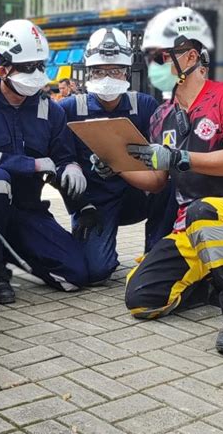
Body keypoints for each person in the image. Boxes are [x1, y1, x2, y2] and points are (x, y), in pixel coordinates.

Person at [114, 6, 223, 356]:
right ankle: (209, 278)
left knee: (205, 211)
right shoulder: (161, 117)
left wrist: (181, 157)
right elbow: (156, 182)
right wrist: (115, 162)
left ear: (192, 56)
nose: (153, 64)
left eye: (160, 56)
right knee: (140, 298)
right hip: (194, 227)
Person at [0, 19, 89, 303]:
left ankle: (14, 250)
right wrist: (33, 165)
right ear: (3, 68)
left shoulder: (50, 111)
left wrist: (71, 168)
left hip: (29, 211)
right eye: (29, 67)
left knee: (77, 273)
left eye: (40, 65)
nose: (38, 74)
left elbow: (63, 156)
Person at [59, 27, 177, 283]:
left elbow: (160, 164)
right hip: (95, 201)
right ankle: (98, 250)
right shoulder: (70, 109)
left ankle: (155, 253)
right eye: (100, 70)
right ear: (88, 71)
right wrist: (79, 205)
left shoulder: (144, 106)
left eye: (115, 70)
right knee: (96, 271)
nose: (107, 77)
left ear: (126, 70)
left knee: (173, 179)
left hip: (136, 192)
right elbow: (60, 161)